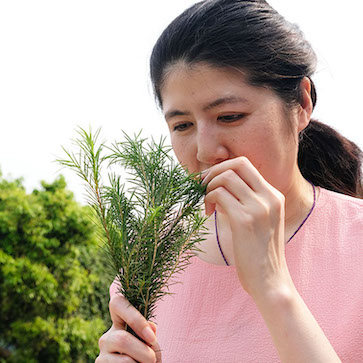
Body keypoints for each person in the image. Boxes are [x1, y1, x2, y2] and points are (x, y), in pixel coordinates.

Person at [96, 0, 363, 362]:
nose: (206, 151)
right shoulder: (154, 254)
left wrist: (272, 286)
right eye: (182, 125)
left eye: (230, 116)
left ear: (301, 103)